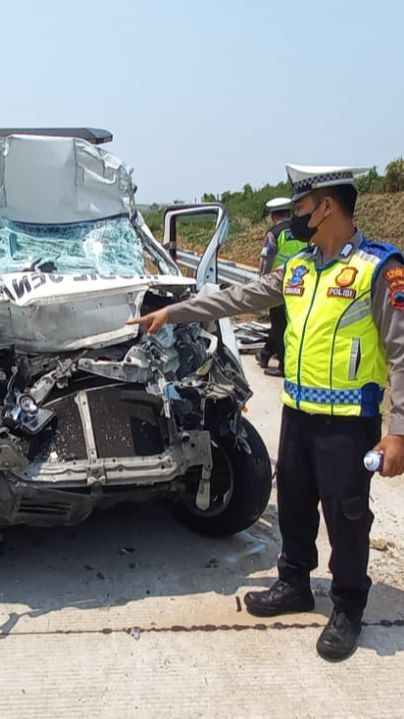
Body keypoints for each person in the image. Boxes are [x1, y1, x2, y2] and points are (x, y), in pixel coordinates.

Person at [127, 164, 404, 661]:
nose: (293, 218)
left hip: (349, 424)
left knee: (346, 518)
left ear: (326, 205)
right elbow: (236, 297)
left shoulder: (379, 269)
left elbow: (402, 354)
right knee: (295, 506)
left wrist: (399, 431)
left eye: (300, 208)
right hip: (298, 414)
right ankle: (294, 582)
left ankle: (347, 605)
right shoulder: (299, 268)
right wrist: (172, 312)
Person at [257, 197, 307, 377]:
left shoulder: (274, 233)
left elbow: (266, 259)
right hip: (302, 284)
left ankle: (284, 366)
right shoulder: (303, 231)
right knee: (291, 324)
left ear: (272, 216)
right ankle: (265, 353)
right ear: (290, 212)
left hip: (278, 285)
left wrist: (262, 283)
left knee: (279, 325)